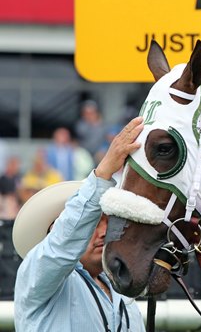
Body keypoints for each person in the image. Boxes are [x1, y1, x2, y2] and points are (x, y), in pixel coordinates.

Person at [13, 116, 146, 332]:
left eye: (107, 222)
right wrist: (103, 173)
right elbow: (61, 246)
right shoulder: (36, 271)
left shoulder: (121, 292)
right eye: (93, 224)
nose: (104, 232)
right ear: (55, 229)